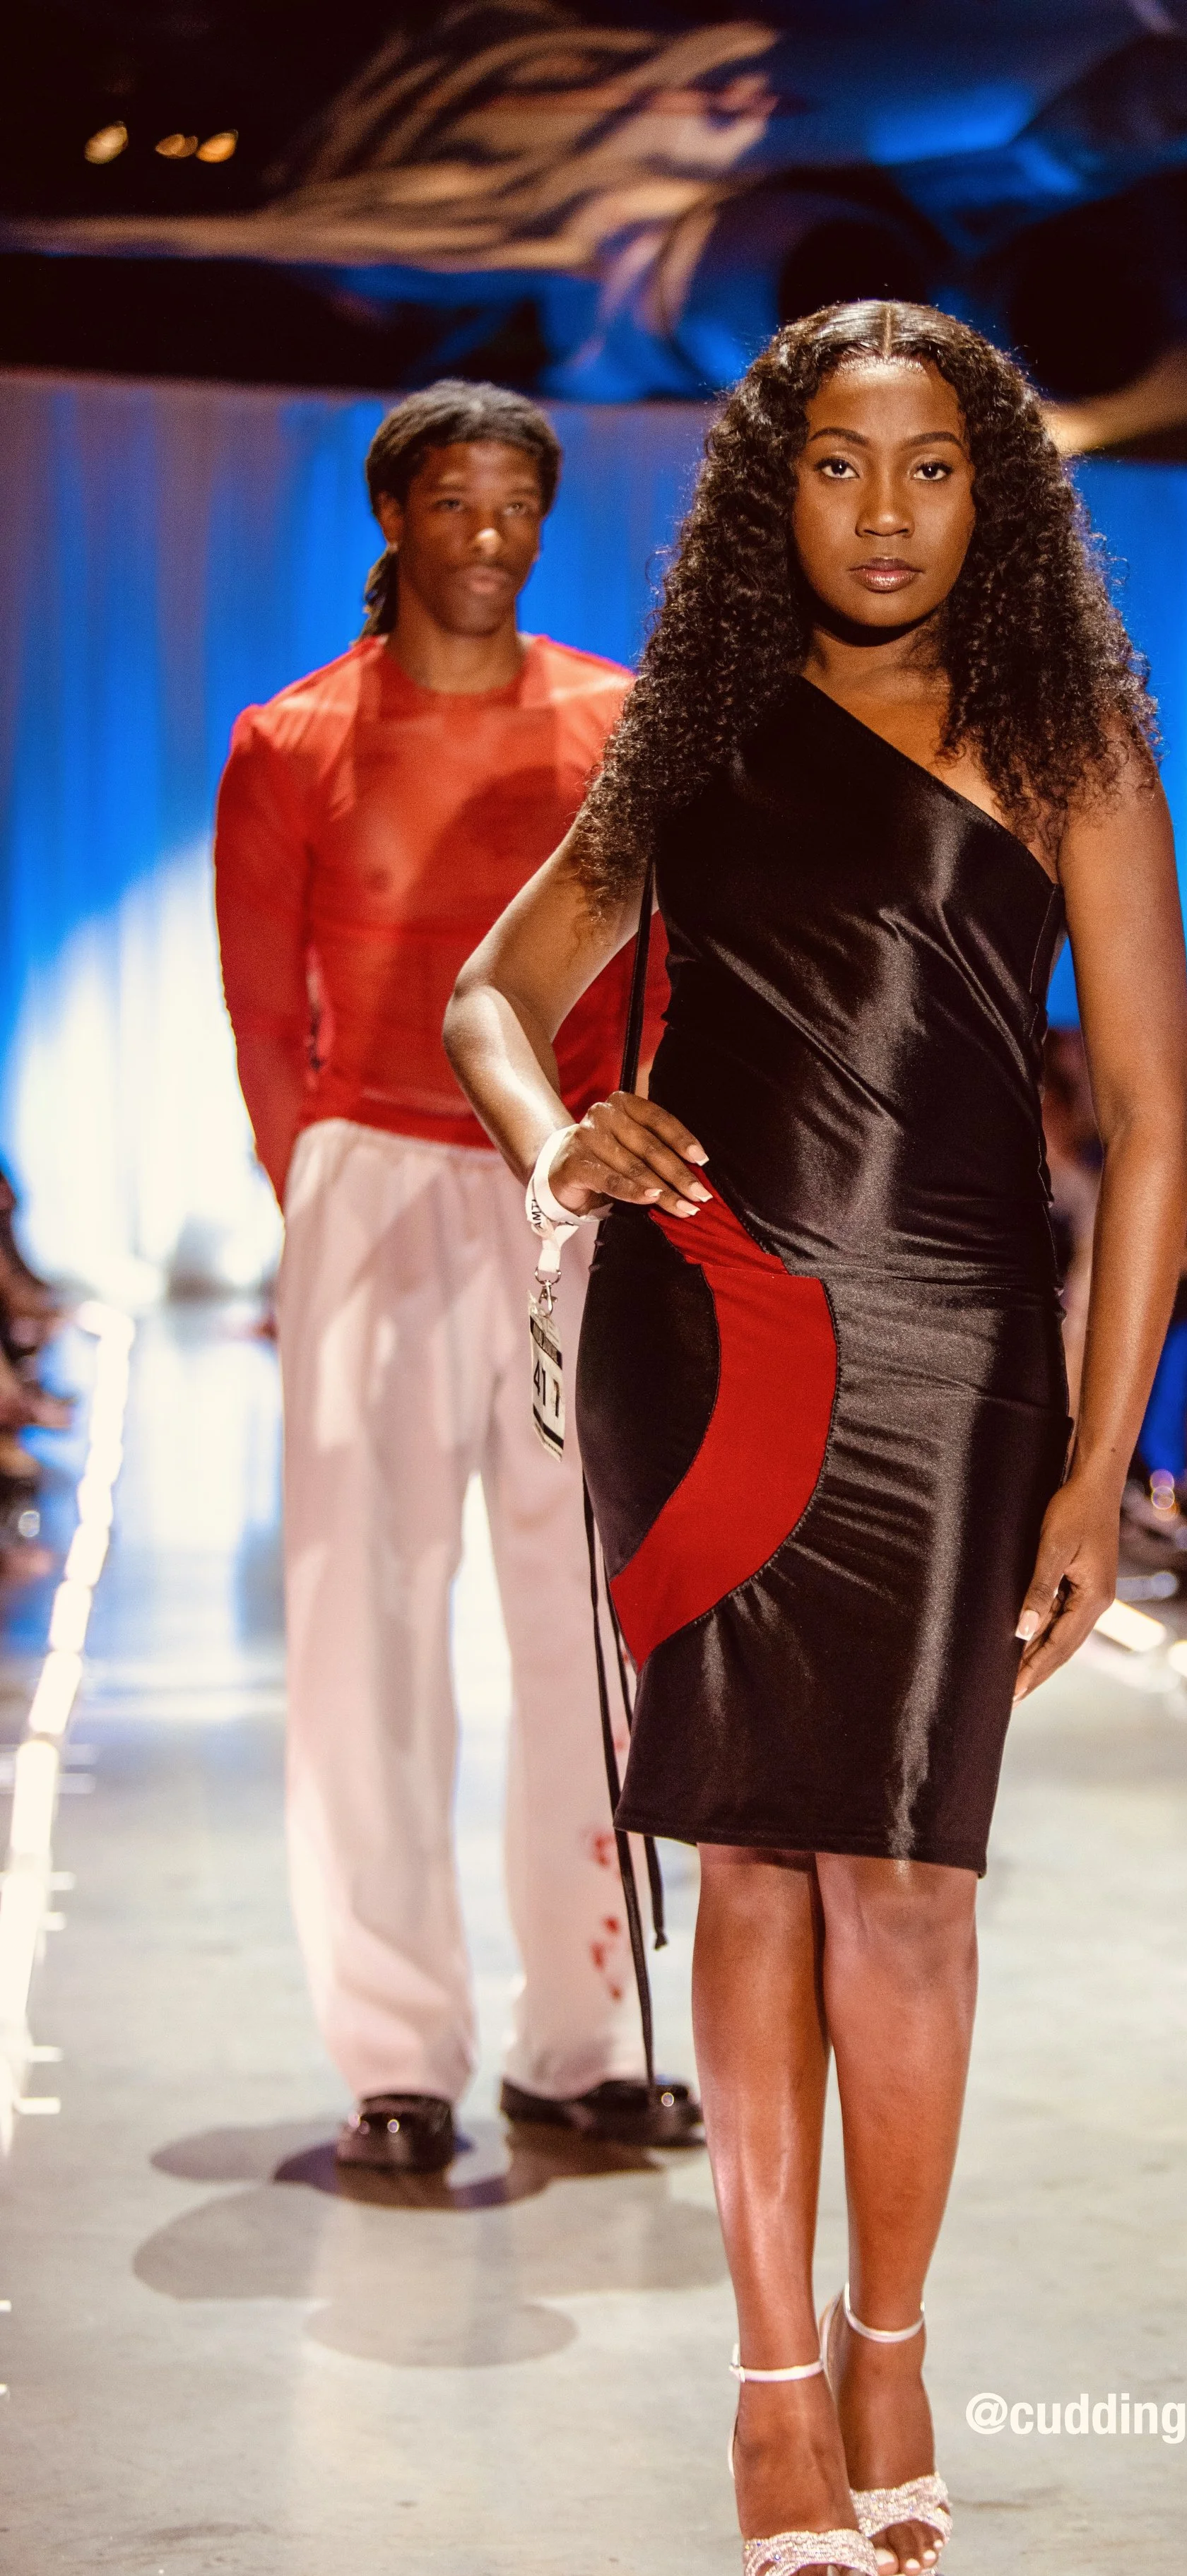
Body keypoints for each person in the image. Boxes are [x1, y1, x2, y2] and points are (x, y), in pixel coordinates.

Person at [444, 301, 1187, 2576]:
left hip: (961, 1357)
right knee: (754, 1865)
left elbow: (1155, 1124)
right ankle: (781, 2389)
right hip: (713, 1327)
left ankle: (895, 2347)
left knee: (919, 1884)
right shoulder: (694, 732)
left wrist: (1096, 1465)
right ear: (776, 488)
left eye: (934, 468)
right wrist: (556, 1129)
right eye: (842, 466)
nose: (886, 513)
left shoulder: (1072, 732)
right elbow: (488, 990)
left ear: (998, 495)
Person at [215, 379, 698, 2176]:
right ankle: (394, 2051)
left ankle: (582, 2034)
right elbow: (270, 1022)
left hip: (564, 1186)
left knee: (588, 1615)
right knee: (362, 1625)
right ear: (395, 517)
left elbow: (654, 976)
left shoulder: (614, 720)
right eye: (454, 503)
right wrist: (328, 1203)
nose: (486, 536)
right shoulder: (295, 740)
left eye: (516, 507)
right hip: (372, 1183)